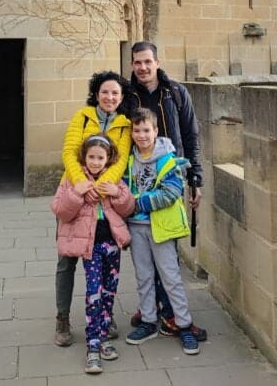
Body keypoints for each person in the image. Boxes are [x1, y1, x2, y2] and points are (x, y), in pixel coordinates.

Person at [125, 41, 207, 340]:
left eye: (148, 61)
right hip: (138, 181)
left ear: (157, 62)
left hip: (170, 182)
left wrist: (195, 177)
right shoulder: (128, 95)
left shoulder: (176, 93)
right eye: (137, 62)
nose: (143, 67)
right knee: (146, 259)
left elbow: (191, 135)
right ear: (132, 64)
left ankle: (171, 314)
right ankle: (159, 311)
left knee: (167, 253)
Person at [54, 71, 133, 348]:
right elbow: (69, 152)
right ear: (96, 94)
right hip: (76, 195)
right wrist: (82, 185)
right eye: (105, 92)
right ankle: (62, 318)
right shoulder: (83, 117)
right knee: (67, 259)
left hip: (104, 201)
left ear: (121, 97)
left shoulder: (125, 126)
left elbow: (119, 161)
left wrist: (100, 188)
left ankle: (104, 315)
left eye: (115, 93)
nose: (109, 97)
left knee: (102, 263)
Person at [51, 135, 135, 374]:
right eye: (91, 157)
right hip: (90, 248)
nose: (96, 162)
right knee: (94, 294)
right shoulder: (72, 179)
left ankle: (105, 336)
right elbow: (59, 210)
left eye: (100, 158)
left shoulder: (114, 180)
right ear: (83, 158)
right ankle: (93, 347)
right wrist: (77, 193)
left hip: (112, 244)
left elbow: (128, 208)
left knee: (109, 293)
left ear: (108, 159)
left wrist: (117, 194)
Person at [123, 108, 200, 355]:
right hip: (137, 228)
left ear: (155, 131)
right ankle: (148, 321)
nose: (142, 135)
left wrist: (136, 203)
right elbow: (124, 188)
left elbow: (171, 192)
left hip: (161, 228)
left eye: (146, 130)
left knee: (171, 278)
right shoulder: (130, 159)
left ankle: (183, 324)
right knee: (144, 276)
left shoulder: (168, 159)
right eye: (137, 130)